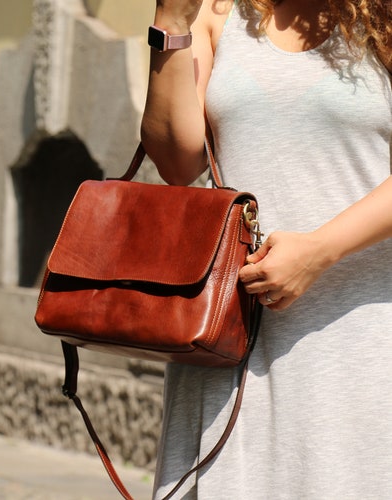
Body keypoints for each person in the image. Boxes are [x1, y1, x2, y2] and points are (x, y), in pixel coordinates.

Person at [140, 0, 392, 498]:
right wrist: (169, 22)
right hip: (228, 338)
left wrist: (321, 250)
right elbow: (175, 161)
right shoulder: (217, 12)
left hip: (357, 345)